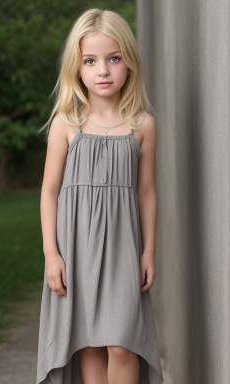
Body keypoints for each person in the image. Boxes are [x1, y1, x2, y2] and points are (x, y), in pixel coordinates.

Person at [36, 7, 164, 384]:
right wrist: (51, 253)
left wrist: (148, 252)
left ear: (130, 63)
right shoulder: (65, 123)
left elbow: (146, 191)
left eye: (113, 58)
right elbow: (49, 191)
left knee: (122, 343)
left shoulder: (143, 125)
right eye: (90, 61)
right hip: (75, 247)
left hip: (124, 247)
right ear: (77, 67)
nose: (103, 70)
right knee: (88, 341)